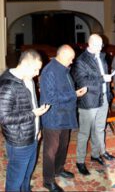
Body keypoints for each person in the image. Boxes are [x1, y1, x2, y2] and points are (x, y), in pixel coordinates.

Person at [0, 50, 50, 191]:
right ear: (25, 64)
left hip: (31, 136)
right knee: (15, 180)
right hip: (19, 142)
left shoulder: (28, 80)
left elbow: (33, 105)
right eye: (36, 69)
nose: (37, 73)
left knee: (27, 174)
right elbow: (4, 118)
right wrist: (33, 114)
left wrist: (37, 129)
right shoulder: (7, 85)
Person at [40, 45, 87, 191]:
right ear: (63, 56)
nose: (72, 62)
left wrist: (74, 92)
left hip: (65, 115)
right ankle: (48, 180)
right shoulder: (49, 71)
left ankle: (58, 169)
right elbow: (51, 98)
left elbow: (65, 90)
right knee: (50, 150)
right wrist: (74, 94)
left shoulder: (63, 69)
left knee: (63, 146)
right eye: (71, 59)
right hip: (53, 117)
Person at [71, 34, 115, 176]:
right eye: (98, 44)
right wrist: (103, 79)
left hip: (103, 98)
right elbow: (83, 81)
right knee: (84, 133)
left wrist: (107, 91)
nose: (101, 47)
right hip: (88, 101)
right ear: (90, 44)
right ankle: (80, 161)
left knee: (100, 129)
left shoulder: (102, 57)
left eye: (102, 44)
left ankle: (97, 154)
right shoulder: (81, 61)